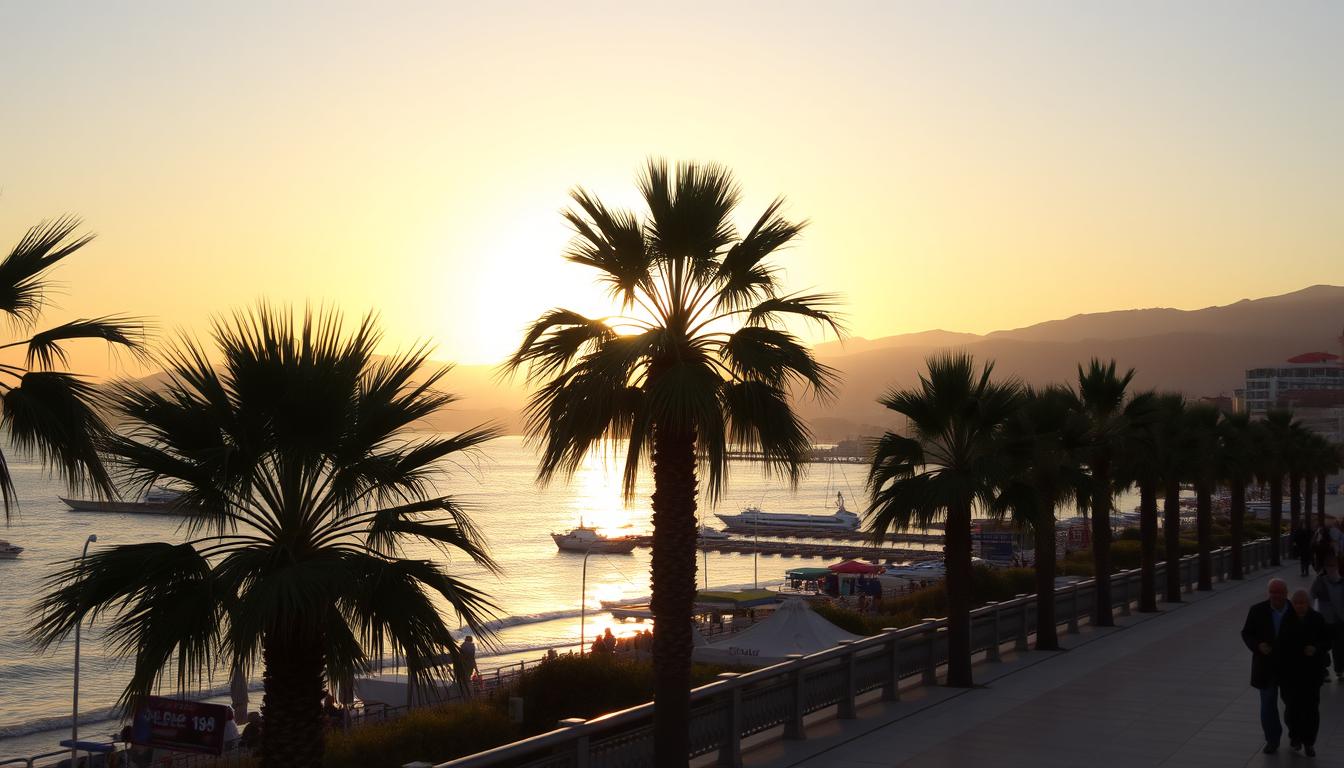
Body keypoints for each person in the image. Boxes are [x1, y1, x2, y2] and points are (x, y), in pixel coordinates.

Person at [1241, 578, 1300, 754]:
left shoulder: (1295, 611)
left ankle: (1295, 735)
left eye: (1279, 592)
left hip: (1289, 667)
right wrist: (1257, 645)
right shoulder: (1257, 610)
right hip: (1266, 667)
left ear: (1286, 593)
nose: (1275, 595)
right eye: (1272, 592)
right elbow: (1247, 633)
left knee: (1292, 704)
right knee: (1267, 704)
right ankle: (1272, 739)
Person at [1282, 589, 1328, 756]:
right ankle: (1295, 737)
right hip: (1291, 674)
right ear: (1292, 604)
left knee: (1311, 709)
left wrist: (1316, 648)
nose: (1300, 606)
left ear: (1308, 604)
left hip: (1311, 674)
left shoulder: (1317, 619)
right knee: (1292, 708)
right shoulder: (1286, 619)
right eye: (1296, 603)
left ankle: (1309, 742)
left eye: (1303, 603)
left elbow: (1327, 640)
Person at [1310, 558, 1344, 681]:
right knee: (1324, 646)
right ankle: (1324, 670)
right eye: (1328, 566)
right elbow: (1311, 595)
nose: (1331, 568)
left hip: (1340, 620)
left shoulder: (1341, 581)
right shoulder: (1320, 581)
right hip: (1324, 620)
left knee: (1339, 646)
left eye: (1333, 565)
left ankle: (1339, 670)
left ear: (1337, 566)